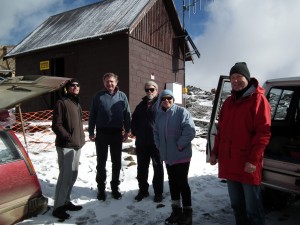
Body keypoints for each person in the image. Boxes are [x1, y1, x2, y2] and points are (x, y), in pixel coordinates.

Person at [210, 62, 271, 225]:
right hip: (230, 163)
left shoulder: (258, 99)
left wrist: (253, 160)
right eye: (232, 78)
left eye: (239, 77)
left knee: (253, 210)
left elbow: (263, 133)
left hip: (247, 164)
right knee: (237, 206)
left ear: (247, 78)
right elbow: (221, 130)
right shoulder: (229, 102)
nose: (235, 81)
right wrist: (215, 152)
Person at [153, 89, 195, 225]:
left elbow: (190, 131)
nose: (166, 101)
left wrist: (179, 146)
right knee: (172, 183)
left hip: (181, 155)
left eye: (169, 98)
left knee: (182, 182)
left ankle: (187, 212)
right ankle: (176, 210)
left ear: (173, 99)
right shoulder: (159, 116)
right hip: (168, 156)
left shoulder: (182, 112)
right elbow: (156, 133)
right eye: (164, 99)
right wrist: (159, 146)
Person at [88, 72, 131, 201]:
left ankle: (114, 187)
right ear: (104, 83)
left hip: (116, 134)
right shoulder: (98, 96)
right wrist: (91, 131)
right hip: (101, 134)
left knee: (116, 162)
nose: (109, 84)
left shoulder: (122, 96)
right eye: (107, 81)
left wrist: (127, 130)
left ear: (116, 83)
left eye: (112, 81)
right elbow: (92, 115)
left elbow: (127, 114)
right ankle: (101, 188)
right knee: (101, 163)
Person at [52, 78, 86, 220]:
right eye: (72, 86)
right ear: (67, 88)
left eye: (77, 85)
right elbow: (56, 125)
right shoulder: (62, 102)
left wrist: (81, 138)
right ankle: (58, 207)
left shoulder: (76, 102)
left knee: (72, 175)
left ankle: (66, 201)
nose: (75, 87)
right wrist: (68, 137)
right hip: (66, 146)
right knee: (65, 176)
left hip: (77, 145)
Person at [131, 81, 164, 202]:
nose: (149, 92)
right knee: (142, 168)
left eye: (151, 89)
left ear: (156, 90)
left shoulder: (162, 103)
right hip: (142, 143)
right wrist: (135, 132)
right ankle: (143, 190)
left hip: (156, 143)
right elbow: (134, 120)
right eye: (147, 90)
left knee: (158, 167)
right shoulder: (140, 105)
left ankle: (158, 192)